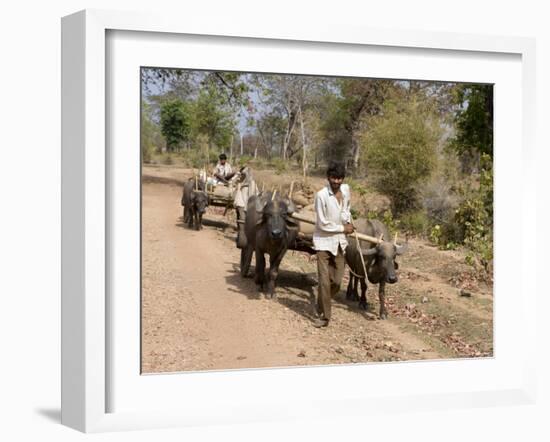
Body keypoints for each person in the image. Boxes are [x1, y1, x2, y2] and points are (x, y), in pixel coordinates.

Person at [312, 162, 354, 328]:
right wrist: (343, 228)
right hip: (323, 242)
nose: (336, 181)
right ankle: (324, 317)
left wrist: (348, 221)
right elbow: (322, 224)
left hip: (339, 243)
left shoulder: (345, 191)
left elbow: (346, 210)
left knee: (336, 281)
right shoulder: (321, 195)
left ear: (342, 179)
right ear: (328, 178)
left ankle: (322, 299)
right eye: (333, 178)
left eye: (339, 178)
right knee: (324, 281)